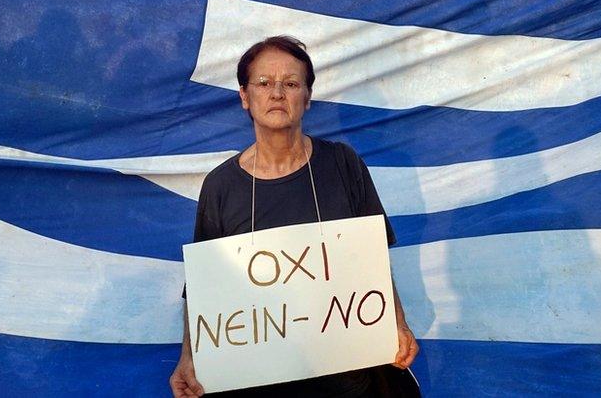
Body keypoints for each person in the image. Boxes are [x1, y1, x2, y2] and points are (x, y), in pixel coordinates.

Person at [170, 36, 419, 397]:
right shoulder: (221, 186)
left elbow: (373, 260)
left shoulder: (342, 163)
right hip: (258, 385)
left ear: (307, 97)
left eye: (290, 83)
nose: (277, 93)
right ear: (244, 97)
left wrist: (395, 323)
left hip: (347, 383)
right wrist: (190, 356)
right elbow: (203, 290)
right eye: (264, 83)